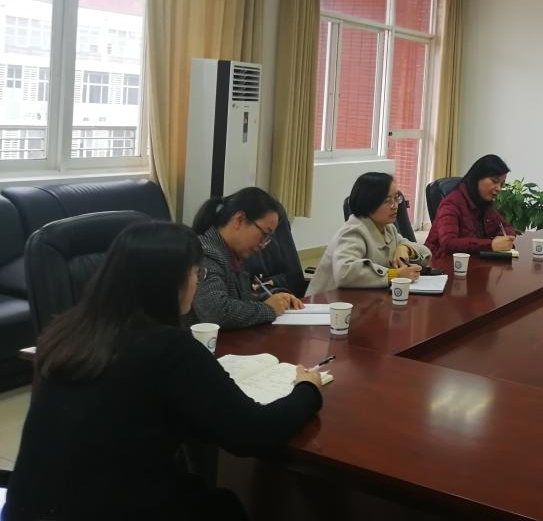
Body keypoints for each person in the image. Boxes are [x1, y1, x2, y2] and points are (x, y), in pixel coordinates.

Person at [2, 222, 323, 521]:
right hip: (109, 509)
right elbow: (253, 434)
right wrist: (307, 389)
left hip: (28, 509)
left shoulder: (65, 332)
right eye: (195, 272)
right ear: (169, 282)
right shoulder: (168, 348)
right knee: (223, 506)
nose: (197, 281)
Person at [188, 187, 303, 330]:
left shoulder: (232, 254)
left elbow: (238, 299)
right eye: (264, 234)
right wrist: (269, 309)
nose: (263, 245)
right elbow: (216, 312)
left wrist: (274, 298)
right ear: (239, 220)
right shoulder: (206, 253)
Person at [306, 172, 431, 294]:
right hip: (328, 303)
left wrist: (405, 248)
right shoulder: (354, 231)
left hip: (365, 299)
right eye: (387, 201)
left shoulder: (388, 229)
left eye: (396, 198)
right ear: (369, 203)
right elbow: (345, 272)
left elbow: (426, 252)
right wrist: (394, 275)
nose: (395, 206)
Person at [424, 154, 518, 259]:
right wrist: (491, 244)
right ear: (477, 178)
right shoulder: (451, 204)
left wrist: (502, 239)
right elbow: (448, 243)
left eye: (502, 184)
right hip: (442, 263)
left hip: (473, 262)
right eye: (494, 181)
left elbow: (506, 227)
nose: (499, 188)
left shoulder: (485, 204)